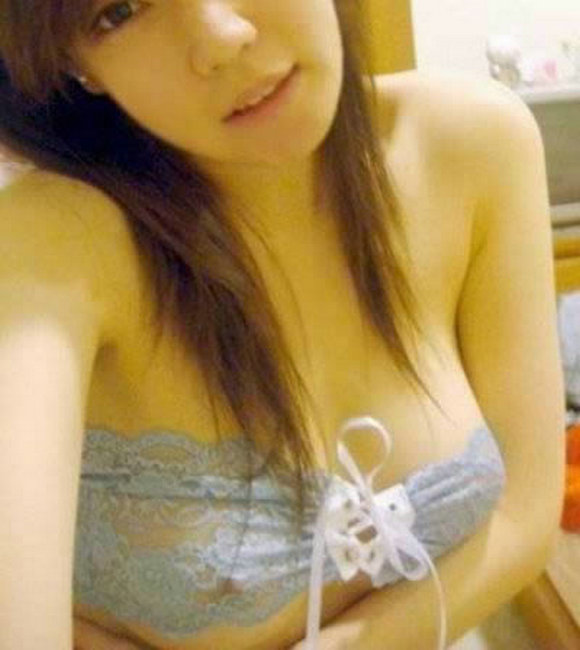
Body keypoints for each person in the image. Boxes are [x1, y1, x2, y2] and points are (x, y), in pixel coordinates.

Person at [0, 1, 566, 649]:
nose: (222, 37)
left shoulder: (473, 142)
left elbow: (523, 515)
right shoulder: (50, 245)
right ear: (75, 64)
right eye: (118, 10)